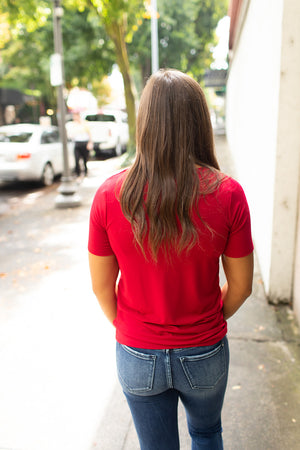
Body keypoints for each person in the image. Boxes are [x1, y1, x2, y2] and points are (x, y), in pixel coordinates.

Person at [88, 69, 254, 450]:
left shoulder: (110, 195)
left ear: (145, 123)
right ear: (200, 122)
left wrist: (134, 328)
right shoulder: (229, 194)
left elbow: (101, 287)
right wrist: (207, 320)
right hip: (205, 351)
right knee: (207, 433)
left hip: (136, 353)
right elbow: (242, 287)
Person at [67, 111, 93, 176]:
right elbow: (70, 134)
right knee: (77, 158)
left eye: (76, 116)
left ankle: (85, 172)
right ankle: (78, 173)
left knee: (85, 159)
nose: (74, 118)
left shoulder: (84, 123)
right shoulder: (72, 125)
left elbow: (89, 134)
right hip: (77, 143)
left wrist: (90, 143)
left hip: (84, 142)